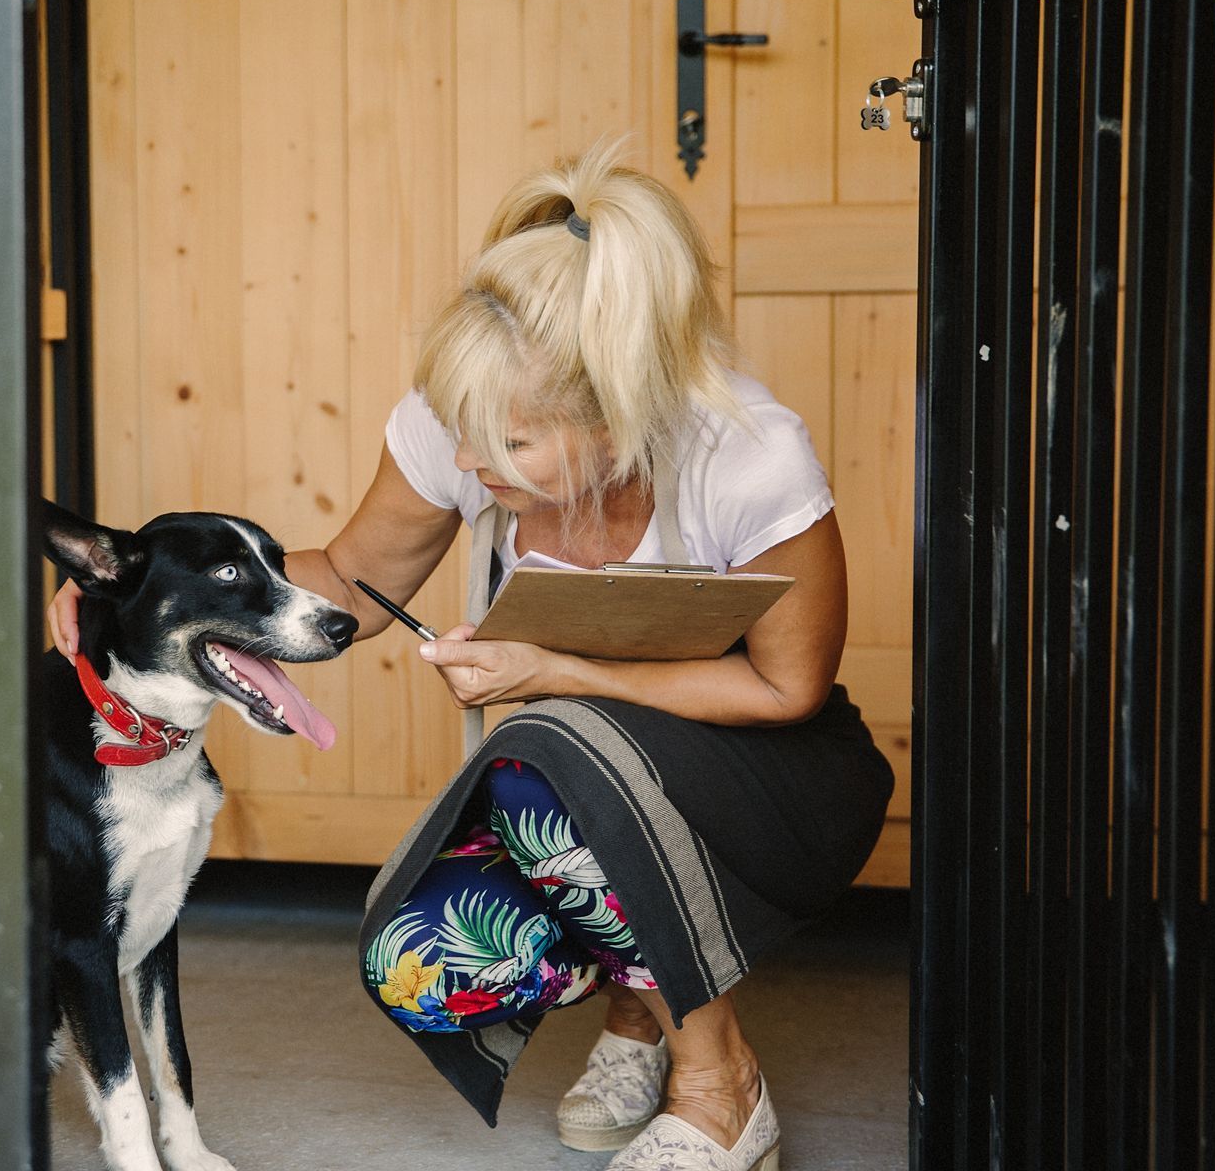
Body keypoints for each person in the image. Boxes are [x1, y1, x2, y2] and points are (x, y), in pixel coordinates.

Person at [49, 141, 892, 1171]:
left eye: (508, 443)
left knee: (550, 743)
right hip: (585, 801)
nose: (465, 461)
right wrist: (129, 586)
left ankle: (718, 1080)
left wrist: (561, 671)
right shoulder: (473, 430)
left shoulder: (745, 452)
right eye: (457, 427)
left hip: (782, 786)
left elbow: (788, 685)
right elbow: (354, 576)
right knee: (422, 967)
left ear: (616, 418)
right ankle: (641, 1002)